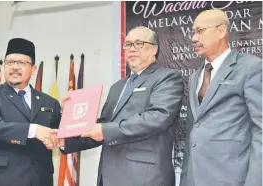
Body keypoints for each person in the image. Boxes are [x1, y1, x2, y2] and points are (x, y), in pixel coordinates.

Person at [58, 26, 184, 186]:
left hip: (144, 177)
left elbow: (157, 118)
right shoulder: (117, 87)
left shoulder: (167, 78)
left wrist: (104, 130)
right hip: (108, 176)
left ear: (154, 49)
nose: (131, 49)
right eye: (127, 44)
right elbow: (102, 126)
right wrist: (67, 136)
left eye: (138, 43)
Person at [180, 9, 262, 186]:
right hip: (195, 178)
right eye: (193, 32)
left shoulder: (251, 68)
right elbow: (192, 133)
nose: (194, 38)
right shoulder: (195, 77)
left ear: (221, 31)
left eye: (200, 31)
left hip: (231, 178)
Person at [0, 38, 61, 186]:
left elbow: (62, 133)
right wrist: (34, 130)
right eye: (9, 62)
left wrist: (82, 121)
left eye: (21, 63)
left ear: (33, 70)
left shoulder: (49, 102)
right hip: (1, 179)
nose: (14, 67)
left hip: (40, 180)